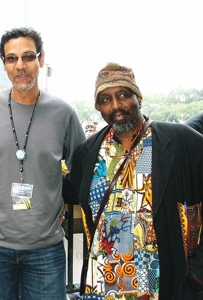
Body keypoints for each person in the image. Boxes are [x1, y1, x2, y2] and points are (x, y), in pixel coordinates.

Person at [0, 27, 85, 300]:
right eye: (11, 58)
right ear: (4, 64)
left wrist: (58, 198)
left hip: (46, 247)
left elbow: (83, 170)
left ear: (41, 60)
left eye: (28, 56)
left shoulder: (63, 113)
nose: (20, 66)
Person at [63, 62, 203, 299]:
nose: (116, 105)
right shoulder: (88, 153)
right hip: (105, 283)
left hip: (162, 282)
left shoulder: (180, 142)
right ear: (98, 107)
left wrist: (199, 270)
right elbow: (65, 190)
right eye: (106, 99)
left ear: (138, 97)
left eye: (123, 95)